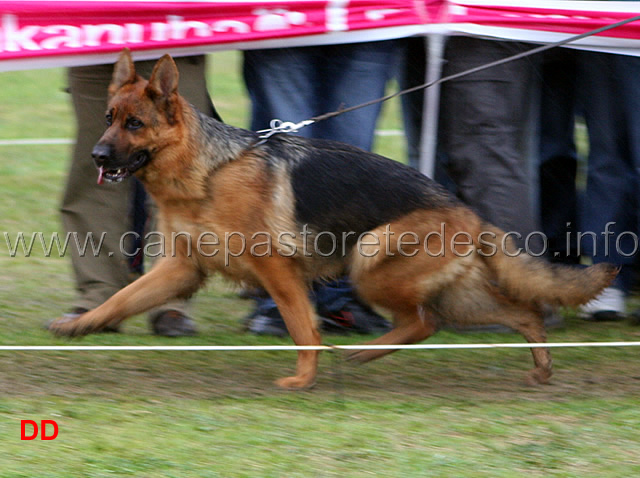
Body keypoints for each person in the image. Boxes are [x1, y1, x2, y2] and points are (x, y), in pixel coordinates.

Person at [241, 41, 398, 336]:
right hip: (284, 18)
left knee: (351, 166)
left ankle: (337, 299)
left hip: (371, 21)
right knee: (282, 169)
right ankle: (278, 300)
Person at [57, 55, 221, 336]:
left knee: (179, 172)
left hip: (174, 31)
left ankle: (170, 300)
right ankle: (97, 297)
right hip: (94, 35)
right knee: (94, 166)